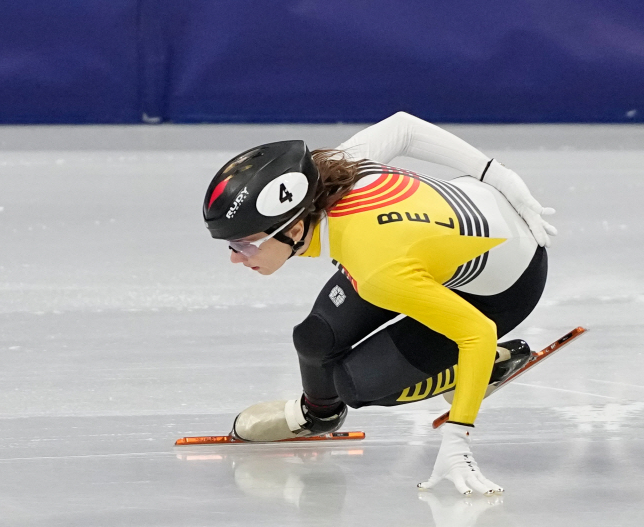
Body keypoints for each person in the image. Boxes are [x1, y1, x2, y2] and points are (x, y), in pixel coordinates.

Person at [202, 112, 556, 495]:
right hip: (431, 242)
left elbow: (477, 333)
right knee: (315, 338)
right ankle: (317, 415)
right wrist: (494, 173)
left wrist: (458, 439)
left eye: (244, 244)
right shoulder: (330, 171)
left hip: (504, 289)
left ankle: (486, 368)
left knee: (359, 385)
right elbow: (403, 127)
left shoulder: (376, 269)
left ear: (294, 228)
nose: (236, 257)